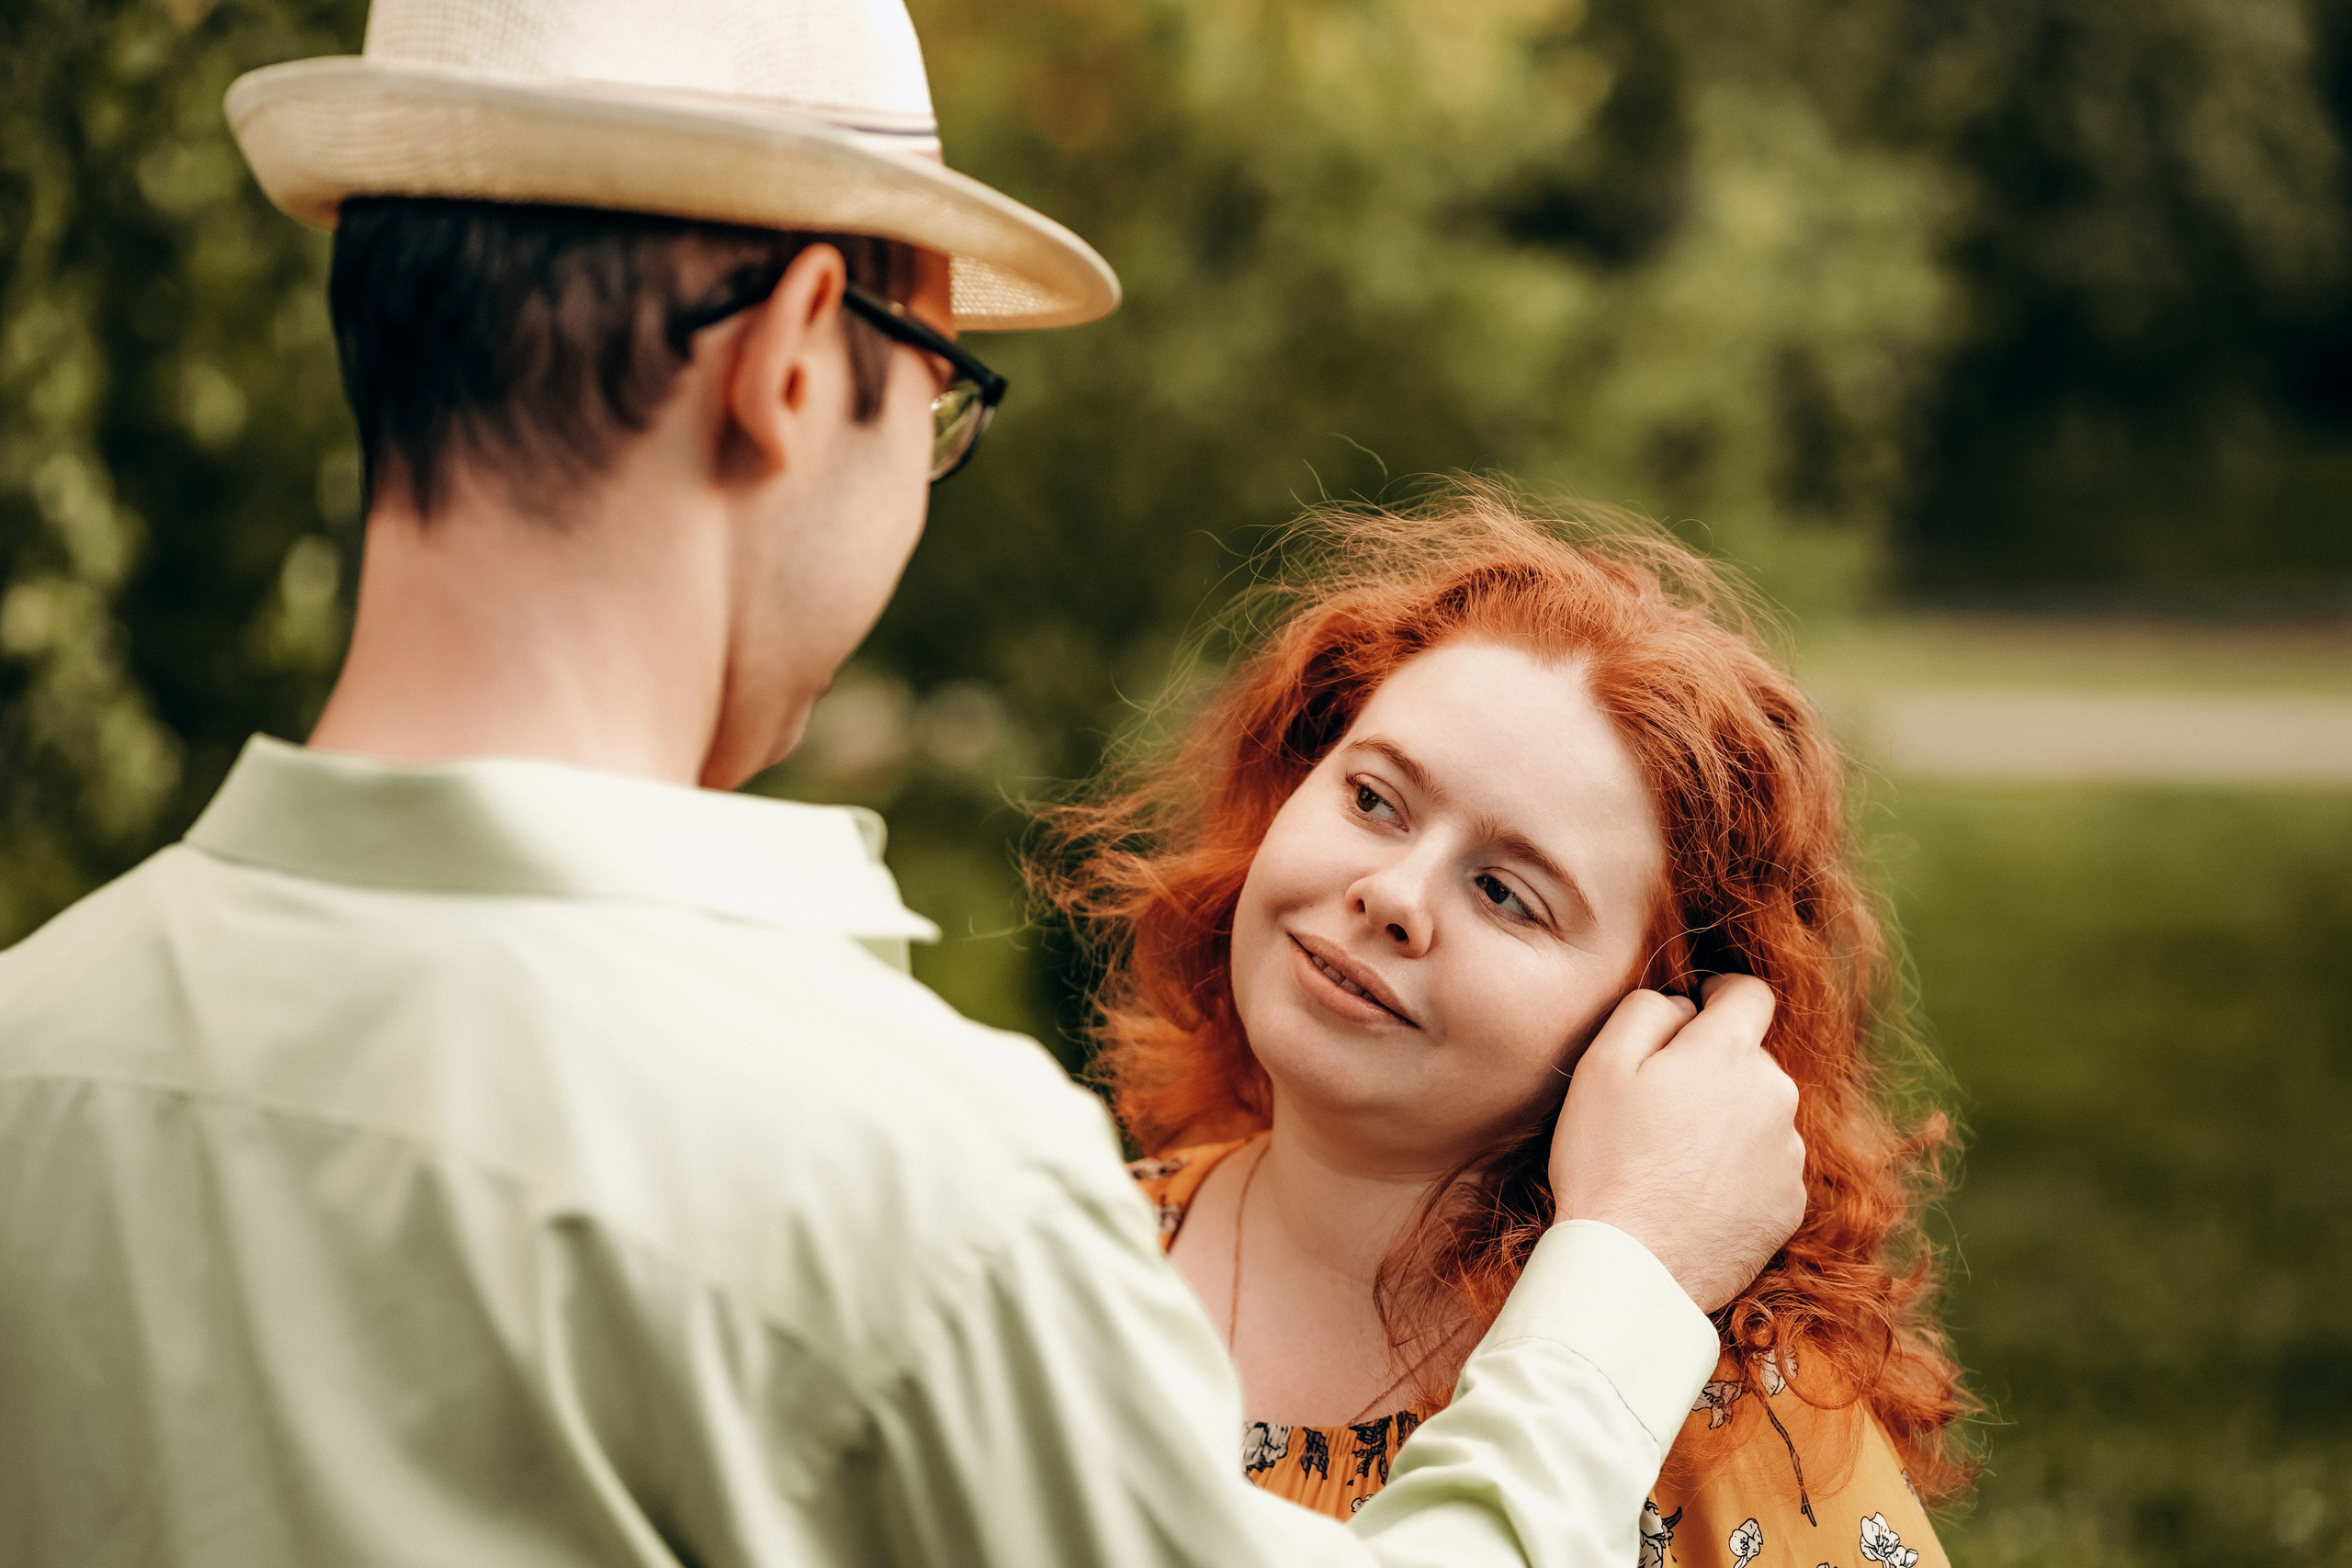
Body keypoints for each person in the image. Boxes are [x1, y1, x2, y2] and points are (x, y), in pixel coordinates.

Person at [0, 4, 1806, 1566]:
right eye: (936, 381)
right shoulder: (899, 1181)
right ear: (792, 364)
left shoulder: (34, 1052)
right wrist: (1628, 1274)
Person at [1037, 488, 1974, 1564]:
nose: (1393, 893)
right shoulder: (1051, 1267)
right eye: (1374, 800)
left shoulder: (1703, 1394)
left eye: (1505, 893)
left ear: (1659, 1023)